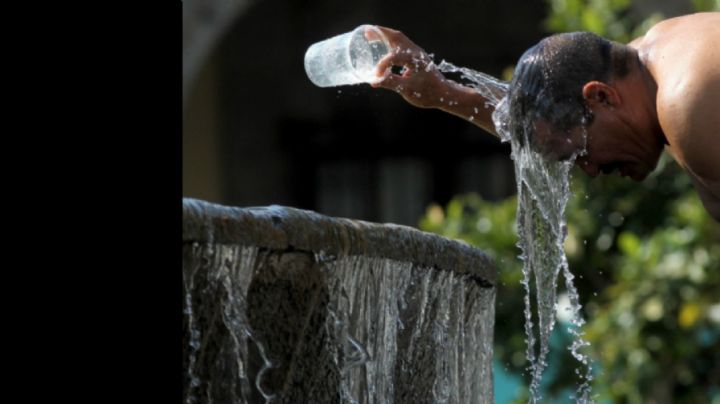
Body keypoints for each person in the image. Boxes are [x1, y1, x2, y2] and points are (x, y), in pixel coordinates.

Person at [370, 12, 720, 221]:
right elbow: (548, 121)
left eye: (580, 154)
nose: (592, 170)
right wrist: (443, 93)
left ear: (601, 95)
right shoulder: (654, 59)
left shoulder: (688, 106)